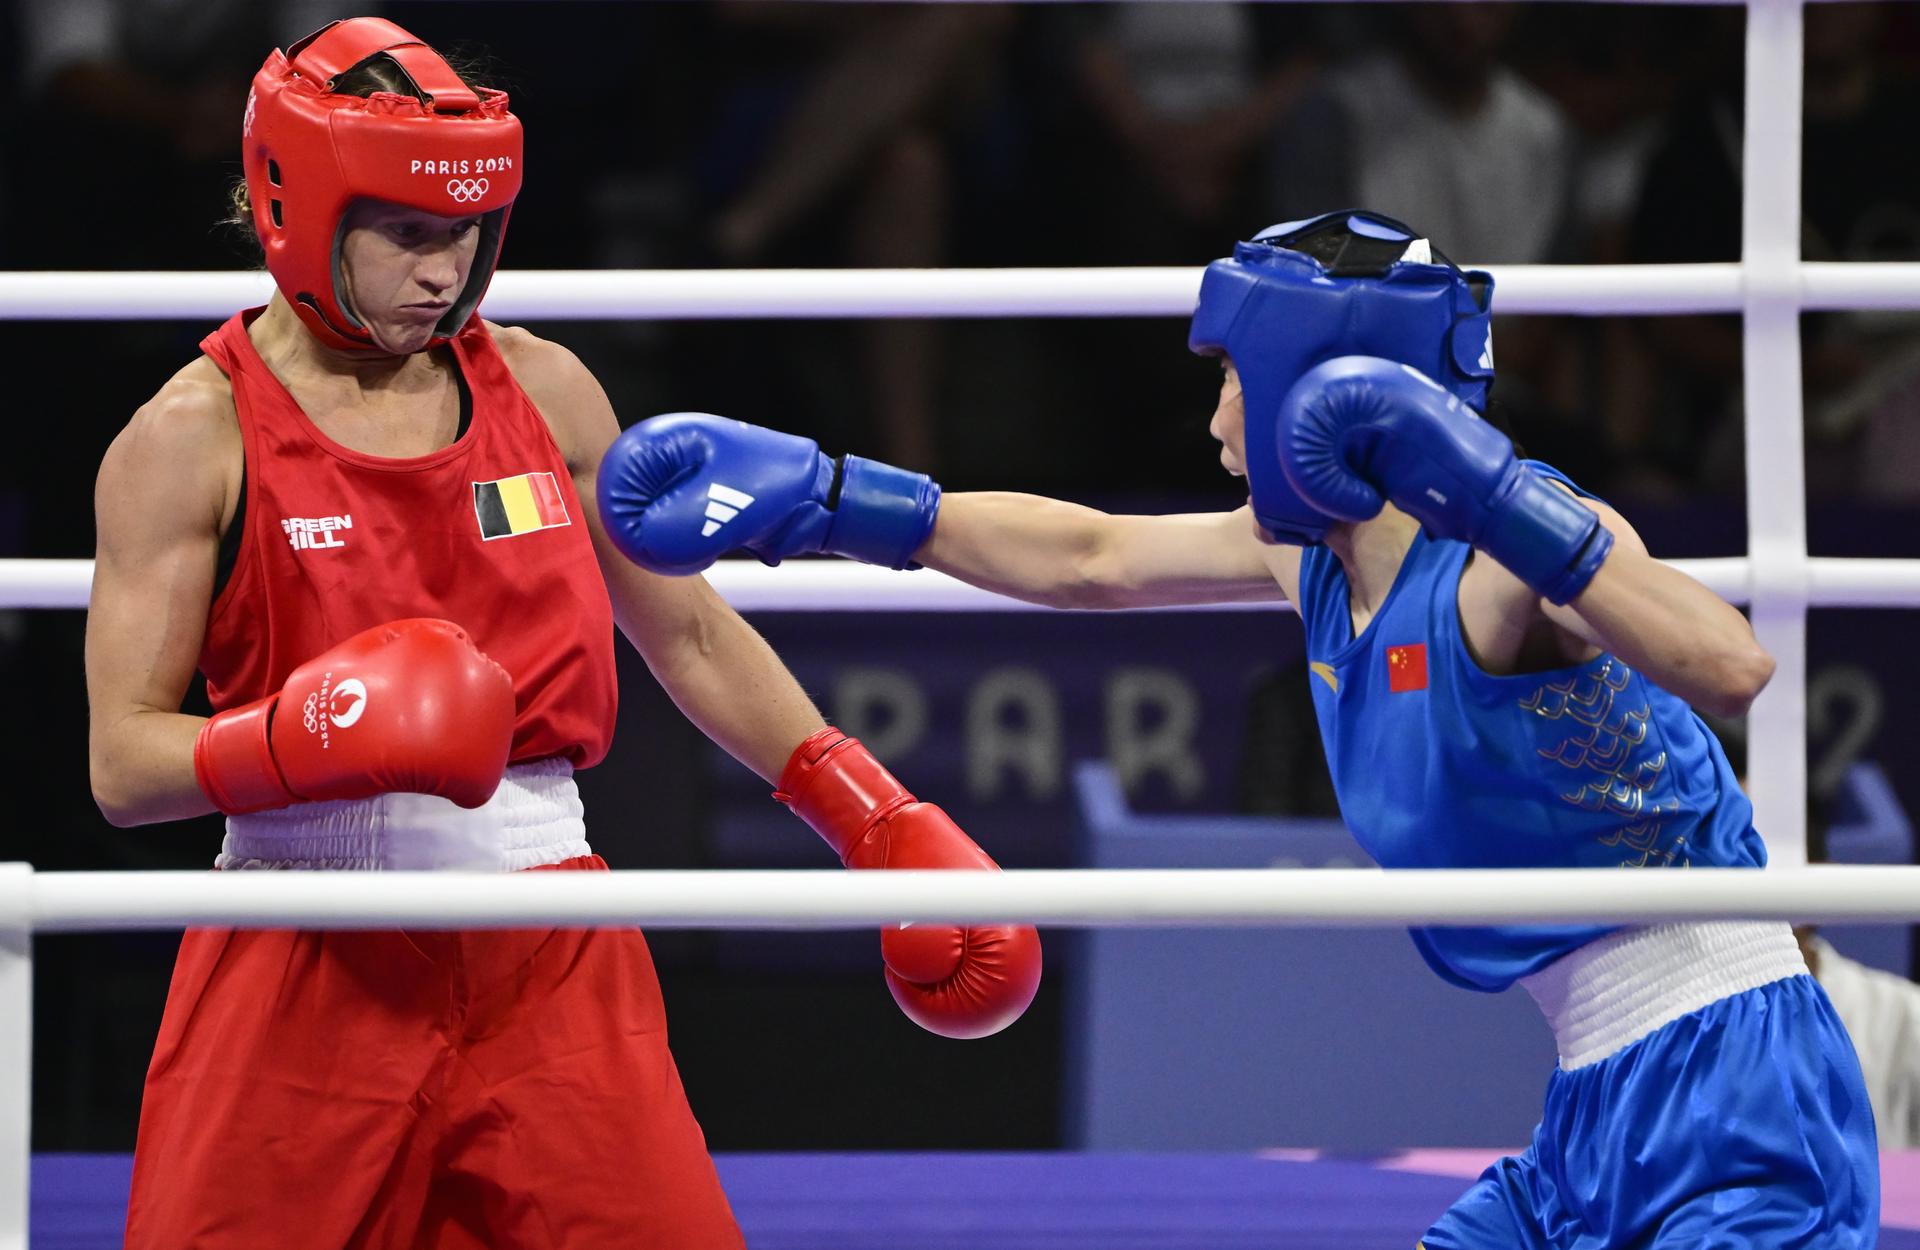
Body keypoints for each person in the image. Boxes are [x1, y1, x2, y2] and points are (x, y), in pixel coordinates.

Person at [597, 210, 1879, 1247]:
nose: (1214, 419)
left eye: (1230, 379)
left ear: (1318, 388)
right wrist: (839, 503)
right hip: (1597, 1092)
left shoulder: (1502, 554)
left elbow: (1731, 660)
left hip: (1740, 1082)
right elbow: (1090, 555)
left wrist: (1503, 495)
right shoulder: (1309, 555)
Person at [84, 18, 1040, 1249]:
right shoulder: (190, 436)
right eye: (411, 233)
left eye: (469, 235)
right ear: (296, 211)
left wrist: (873, 814)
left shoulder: (548, 388)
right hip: (303, 943)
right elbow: (123, 760)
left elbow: (687, 633)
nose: (445, 271)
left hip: (547, 946)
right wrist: (305, 732)